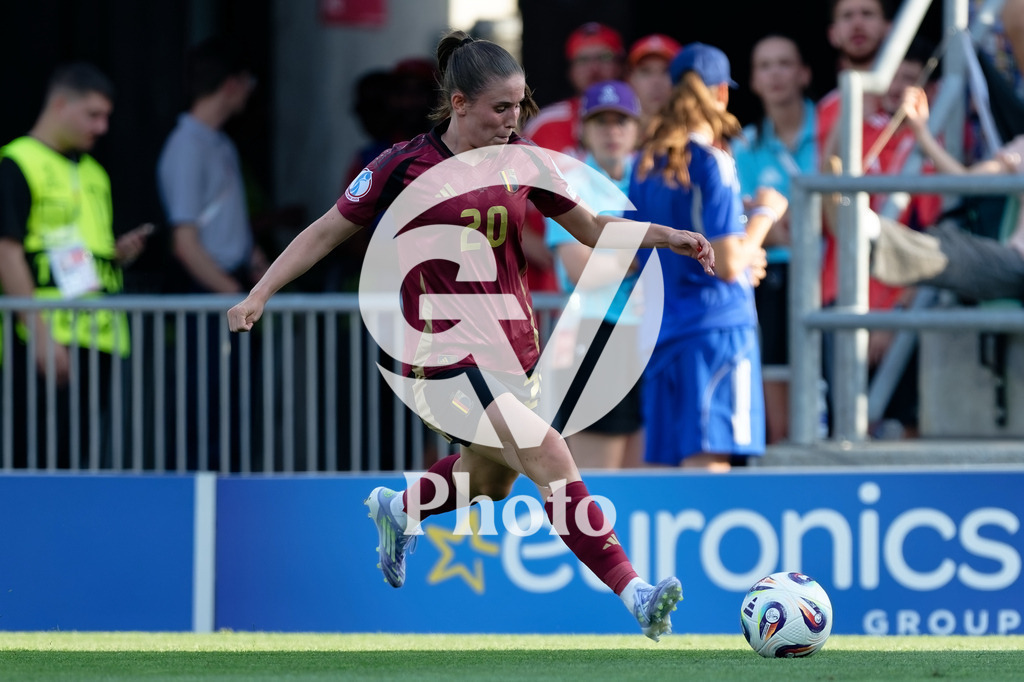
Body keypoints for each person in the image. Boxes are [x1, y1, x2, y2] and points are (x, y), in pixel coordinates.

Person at [227, 30, 716, 640]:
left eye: (520, 106)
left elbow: (590, 228)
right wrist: (259, 293)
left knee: (489, 481)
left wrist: (668, 237)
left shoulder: (524, 162)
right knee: (549, 453)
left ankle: (401, 508)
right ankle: (637, 593)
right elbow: (325, 231)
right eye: (500, 108)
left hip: (510, 350)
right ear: (458, 104)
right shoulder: (403, 165)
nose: (514, 121)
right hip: (439, 354)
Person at [628, 43, 787, 471]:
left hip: (662, 329)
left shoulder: (641, 165)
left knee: (665, 472)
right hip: (716, 332)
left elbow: (631, 253)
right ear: (721, 93)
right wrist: (765, 216)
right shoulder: (714, 161)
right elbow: (731, 262)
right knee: (710, 466)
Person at [0, 62, 152, 468]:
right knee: (31, 460)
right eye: (93, 114)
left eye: (106, 117)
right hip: (43, 338)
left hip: (97, 337)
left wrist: (115, 255)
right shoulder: (17, 162)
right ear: (61, 104)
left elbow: (77, 246)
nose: (102, 127)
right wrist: (39, 335)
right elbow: (6, 250)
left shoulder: (94, 173)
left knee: (77, 460)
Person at [157, 36, 265, 470]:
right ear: (232, 85)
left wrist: (257, 266)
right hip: (211, 296)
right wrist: (234, 297)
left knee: (236, 414)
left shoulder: (220, 144)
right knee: (208, 416)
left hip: (229, 291)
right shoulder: (187, 146)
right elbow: (185, 243)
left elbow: (223, 221)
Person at [545, 80, 645, 469]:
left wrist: (618, 252)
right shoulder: (569, 184)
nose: (612, 131)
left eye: (621, 120)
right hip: (596, 331)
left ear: (638, 128)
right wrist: (649, 248)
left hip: (652, 334)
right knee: (598, 478)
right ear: (583, 130)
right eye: (600, 121)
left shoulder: (651, 178)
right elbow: (580, 267)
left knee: (646, 474)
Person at [732, 34, 818, 445]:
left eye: (785, 63)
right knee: (777, 421)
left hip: (830, 278)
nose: (776, 73)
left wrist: (772, 217)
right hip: (772, 281)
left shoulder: (834, 127)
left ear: (804, 74)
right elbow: (748, 221)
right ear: (754, 80)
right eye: (765, 65)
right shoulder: (743, 145)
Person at [869, 84, 1024, 303]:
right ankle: (870, 233)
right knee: (953, 253)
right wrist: (922, 133)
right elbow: (966, 180)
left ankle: (867, 233)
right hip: (1016, 265)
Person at [524, 21, 626, 158]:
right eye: (583, 59)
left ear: (621, 65)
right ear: (570, 71)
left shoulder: (640, 121)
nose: (594, 68)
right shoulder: (545, 124)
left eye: (604, 57)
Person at [625, 34, 683, 143]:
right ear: (630, 79)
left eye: (666, 71)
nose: (656, 82)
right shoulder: (613, 141)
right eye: (646, 71)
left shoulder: (701, 138)